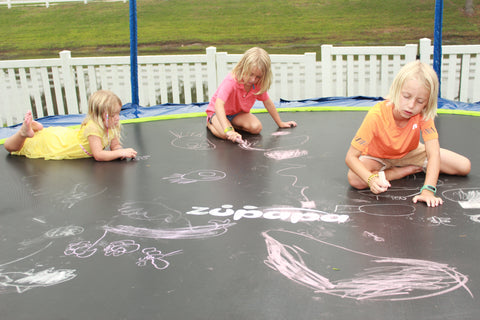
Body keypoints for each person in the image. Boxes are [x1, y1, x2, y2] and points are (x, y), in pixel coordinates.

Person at [345, 60, 471, 207]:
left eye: (420, 101)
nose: (411, 105)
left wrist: (428, 190)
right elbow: (350, 157)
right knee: (355, 179)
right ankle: (399, 172)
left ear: (427, 103)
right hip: (378, 156)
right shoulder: (376, 115)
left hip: (410, 152)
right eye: (406, 96)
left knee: (464, 166)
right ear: (396, 90)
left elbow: (433, 153)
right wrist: (371, 179)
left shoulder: (423, 114)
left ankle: (405, 168)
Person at [4, 90, 137, 161]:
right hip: (59, 144)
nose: (117, 118)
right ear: (100, 115)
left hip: (66, 136)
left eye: (118, 114)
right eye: (113, 115)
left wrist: (120, 152)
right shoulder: (94, 128)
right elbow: (99, 155)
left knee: (23, 144)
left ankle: (33, 129)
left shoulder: (112, 126)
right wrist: (120, 152)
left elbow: (114, 146)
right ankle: (23, 132)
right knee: (12, 148)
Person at [206, 47, 297, 142]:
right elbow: (219, 104)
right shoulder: (231, 81)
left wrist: (280, 123)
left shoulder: (257, 84)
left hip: (237, 114)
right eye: (250, 74)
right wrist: (228, 130)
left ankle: (229, 124)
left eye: (258, 77)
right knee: (226, 135)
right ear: (243, 67)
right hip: (217, 113)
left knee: (256, 128)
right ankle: (210, 123)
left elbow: (268, 103)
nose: (253, 79)